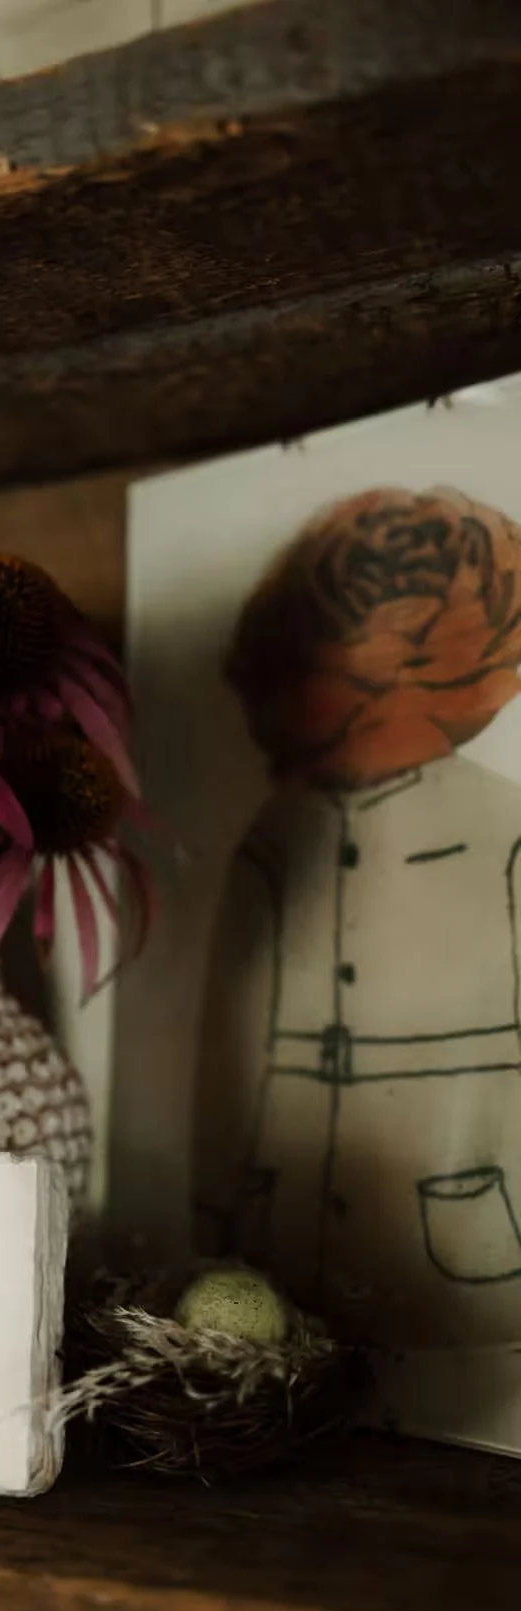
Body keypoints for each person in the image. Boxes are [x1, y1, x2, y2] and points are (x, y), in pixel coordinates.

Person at [194, 487, 521, 1351]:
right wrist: (213, 1219)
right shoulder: (275, 836)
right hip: (283, 1237)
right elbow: (225, 1060)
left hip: (461, 1236)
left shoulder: (505, 831)